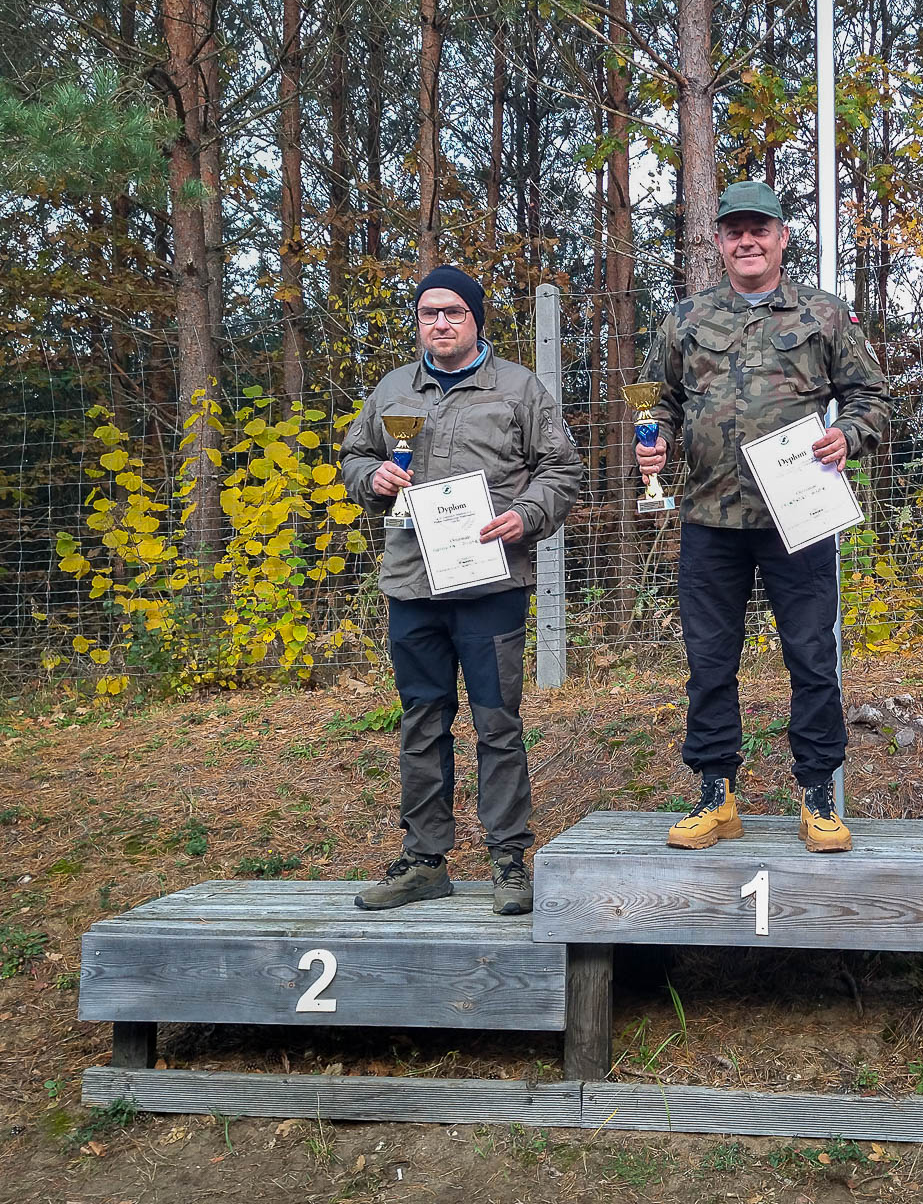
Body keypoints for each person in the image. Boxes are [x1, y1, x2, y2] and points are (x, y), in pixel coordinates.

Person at [637, 181, 890, 852]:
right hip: (709, 519)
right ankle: (715, 797)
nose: (746, 240)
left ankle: (818, 796)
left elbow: (870, 398)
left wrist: (851, 436)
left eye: (759, 229)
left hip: (798, 519)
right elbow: (656, 400)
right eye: (733, 231)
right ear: (718, 242)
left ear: (781, 237)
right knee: (709, 663)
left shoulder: (824, 315)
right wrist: (653, 439)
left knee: (811, 658)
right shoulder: (685, 319)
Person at [342, 265, 582, 914]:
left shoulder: (518, 389)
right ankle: (424, 860)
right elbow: (353, 459)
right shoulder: (394, 389)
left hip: (491, 583)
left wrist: (526, 516)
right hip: (411, 585)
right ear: (417, 321)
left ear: (476, 319)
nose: (439, 323)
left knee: (497, 725)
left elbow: (562, 471)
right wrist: (373, 481)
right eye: (428, 314)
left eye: (452, 312)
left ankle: (509, 862)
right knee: (422, 722)